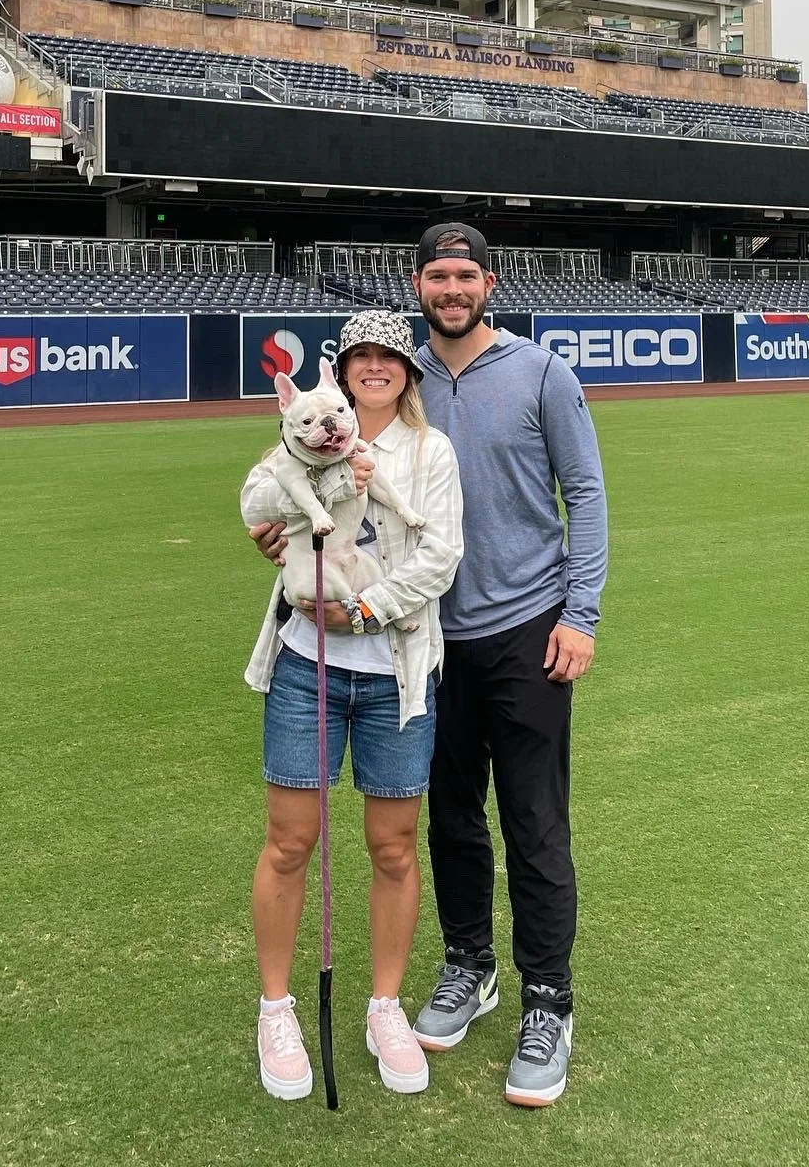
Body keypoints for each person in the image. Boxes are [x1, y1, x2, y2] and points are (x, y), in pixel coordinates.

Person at [251, 224, 607, 1107]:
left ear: (487, 282)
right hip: (430, 648)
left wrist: (583, 614)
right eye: (436, 276)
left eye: (465, 275)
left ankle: (547, 1000)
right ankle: (469, 967)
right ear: (419, 287)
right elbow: (293, 494)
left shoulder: (539, 372)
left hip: (525, 628)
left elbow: (586, 491)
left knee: (532, 819)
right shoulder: (367, 412)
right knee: (444, 822)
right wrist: (279, 536)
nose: (452, 288)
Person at [240, 310, 464, 1103]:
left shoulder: (429, 450)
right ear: (339, 371)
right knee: (291, 842)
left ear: (407, 371)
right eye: (360, 358)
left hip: (396, 672)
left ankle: (384, 1006)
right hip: (309, 667)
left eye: (388, 358)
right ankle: (276, 1008)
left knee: (394, 846)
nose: (374, 369)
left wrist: (365, 613)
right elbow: (255, 497)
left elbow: (441, 553)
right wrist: (268, 525)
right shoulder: (307, 428)